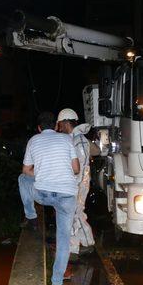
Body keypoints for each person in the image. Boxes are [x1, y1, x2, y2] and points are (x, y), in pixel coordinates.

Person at [18, 111, 80, 285]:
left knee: (23, 179)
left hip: (43, 194)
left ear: (39, 128)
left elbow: (25, 170)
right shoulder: (67, 140)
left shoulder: (33, 140)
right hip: (67, 196)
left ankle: (31, 215)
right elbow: (75, 169)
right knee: (63, 241)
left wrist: (43, 174)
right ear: (55, 126)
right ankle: (56, 283)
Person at [56, 108, 96, 258]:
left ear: (66, 123)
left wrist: (73, 183)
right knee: (76, 214)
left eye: (60, 125)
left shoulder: (78, 140)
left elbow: (81, 166)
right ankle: (85, 243)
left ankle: (78, 247)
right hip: (78, 183)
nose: (59, 128)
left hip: (78, 184)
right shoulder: (75, 139)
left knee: (73, 214)